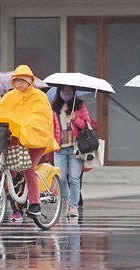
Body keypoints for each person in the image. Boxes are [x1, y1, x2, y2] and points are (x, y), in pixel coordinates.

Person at [0, 65, 59, 222]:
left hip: (36, 140)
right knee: (8, 166)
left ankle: (35, 204)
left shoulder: (39, 97)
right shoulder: (9, 96)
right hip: (17, 139)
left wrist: (25, 126)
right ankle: (18, 182)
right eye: (16, 80)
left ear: (30, 81)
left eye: (22, 80)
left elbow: (39, 117)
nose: (19, 83)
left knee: (29, 168)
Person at [52, 85, 92, 217]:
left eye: (69, 92)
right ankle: (65, 200)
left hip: (75, 148)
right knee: (61, 178)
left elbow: (87, 125)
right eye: (63, 91)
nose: (66, 94)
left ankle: (74, 206)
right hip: (59, 148)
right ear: (59, 92)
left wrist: (76, 119)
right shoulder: (54, 107)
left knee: (74, 178)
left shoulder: (80, 106)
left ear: (73, 93)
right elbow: (49, 125)